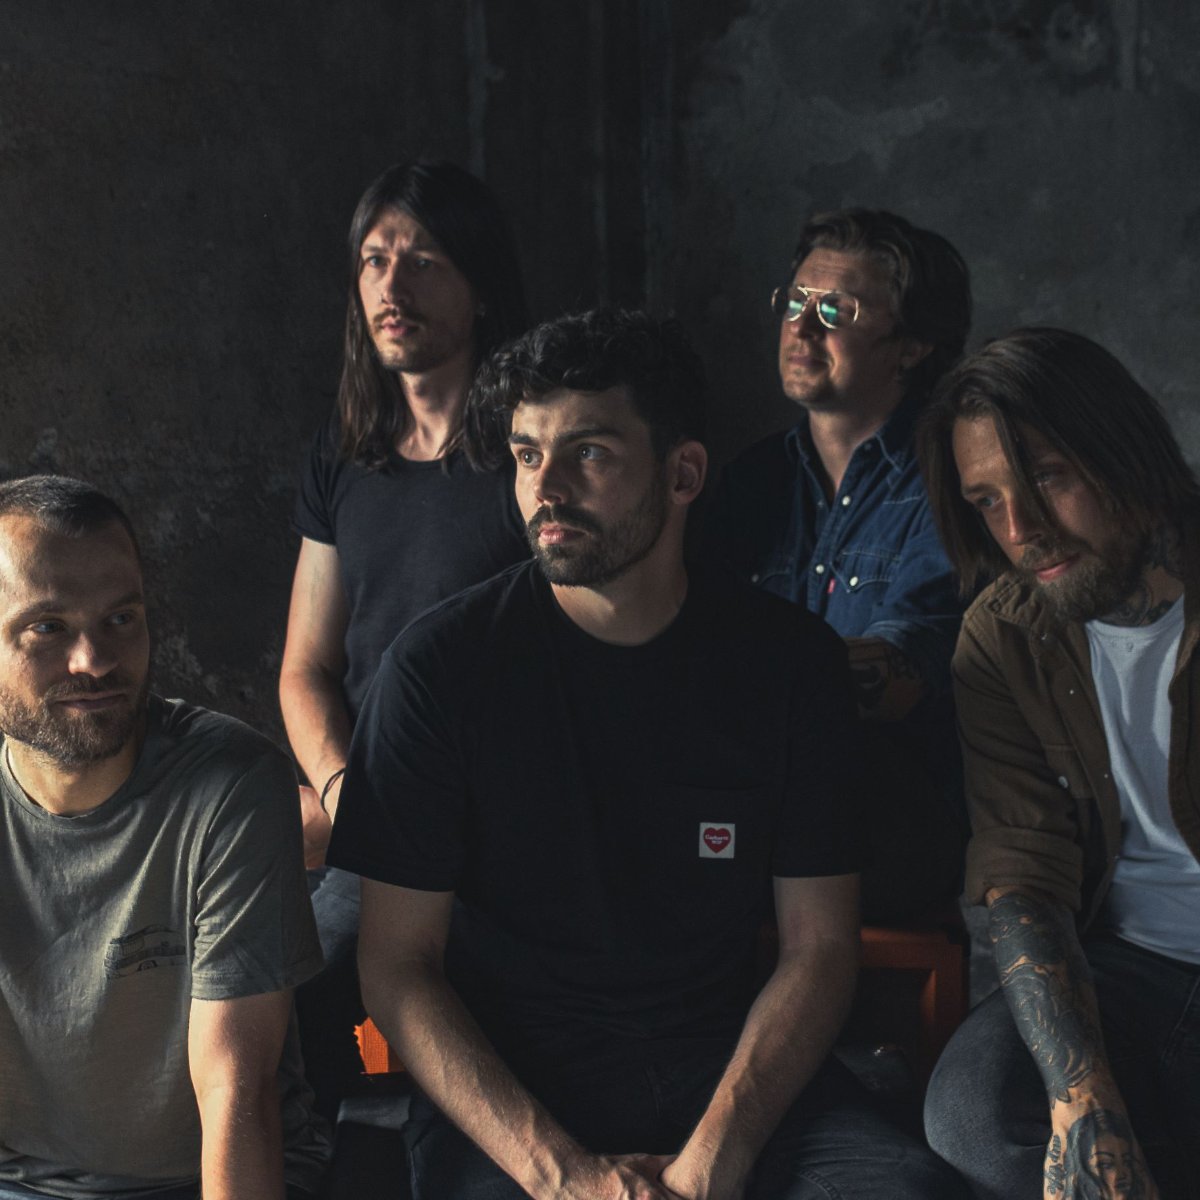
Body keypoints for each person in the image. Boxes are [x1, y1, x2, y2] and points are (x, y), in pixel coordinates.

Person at [328, 308, 965, 1199]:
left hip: (729, 1072)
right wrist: (564, 1177)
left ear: (684, 473)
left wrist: (713, 1161)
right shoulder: (440, 669)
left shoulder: (789, 665)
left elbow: (819, 950)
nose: (546, 488)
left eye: (588, 452)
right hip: (515, 1100)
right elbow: (397, 967)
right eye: (527, 455)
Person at [917, 328, 1200, 1198]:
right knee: (973, 1113)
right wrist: (1085, 1100)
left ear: (1123, 449)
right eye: (987, 501)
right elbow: (1023, 877)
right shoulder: (1004, 638)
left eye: (1047, 477)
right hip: (1128, 964)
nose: (1022, 531)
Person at [278, 160, 531, 1116]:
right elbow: (305, 668)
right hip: (368, 813)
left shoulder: (528, 457)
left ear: (480, 285)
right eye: (376, 260)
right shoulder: (344, 453)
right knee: (251, 992)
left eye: (424, 261)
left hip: (492, 826)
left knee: (347, 986)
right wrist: (346, 794)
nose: (393, 285)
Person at [0, 475, 328, 1200]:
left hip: (202, 1179)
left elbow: (237, 1090)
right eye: (48, 628)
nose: (94, 660)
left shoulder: (229, 785)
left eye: (121, 618)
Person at [706, 208, 972, 921]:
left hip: (891, 827)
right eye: (795, 300)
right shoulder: (752, 480)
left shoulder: (950, 476)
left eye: (836, 310)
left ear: (912, 344)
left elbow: (901, 679)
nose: (800, 327)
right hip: (756, 807)